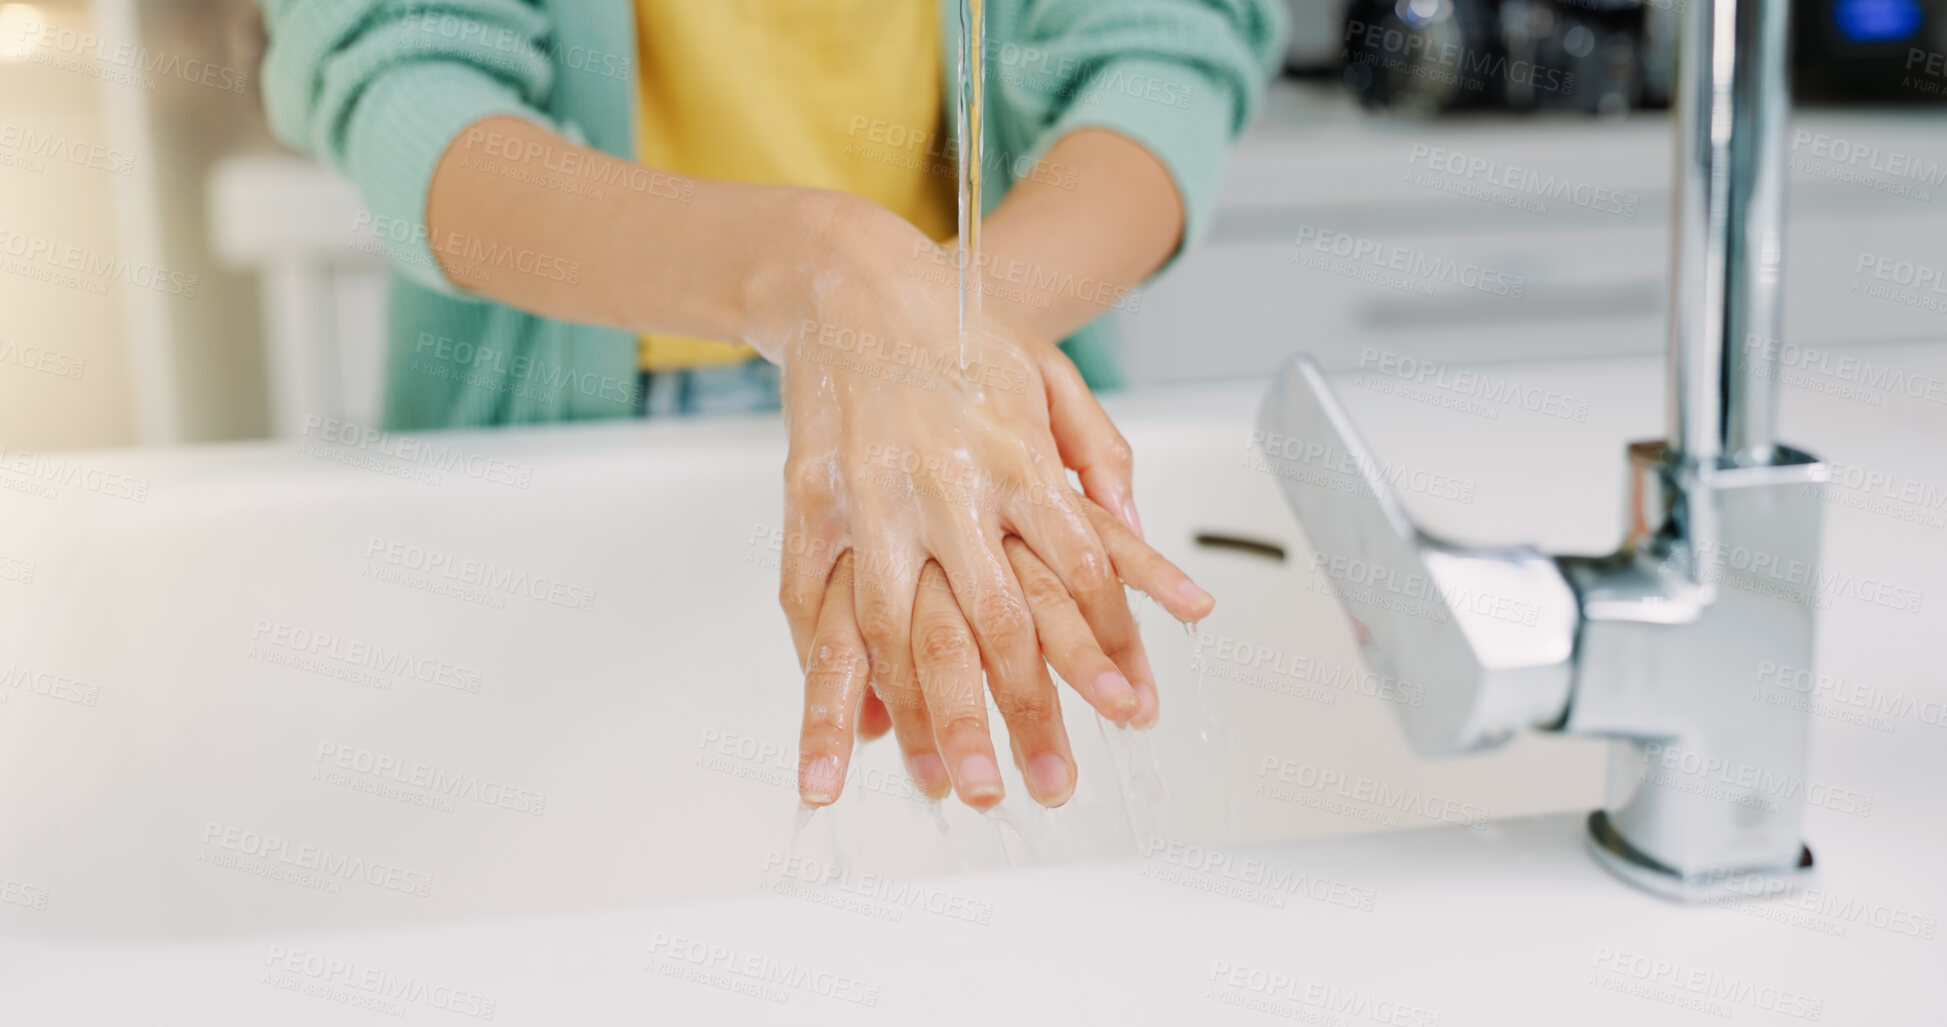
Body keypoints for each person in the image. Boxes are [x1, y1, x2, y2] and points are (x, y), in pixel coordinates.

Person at [254, 0, 1286, 812]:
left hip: (975, 419)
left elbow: (1164, 48)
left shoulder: (943, 376)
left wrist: (937, 360)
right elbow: (409, 82)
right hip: (573, 428)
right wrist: (818, 274)